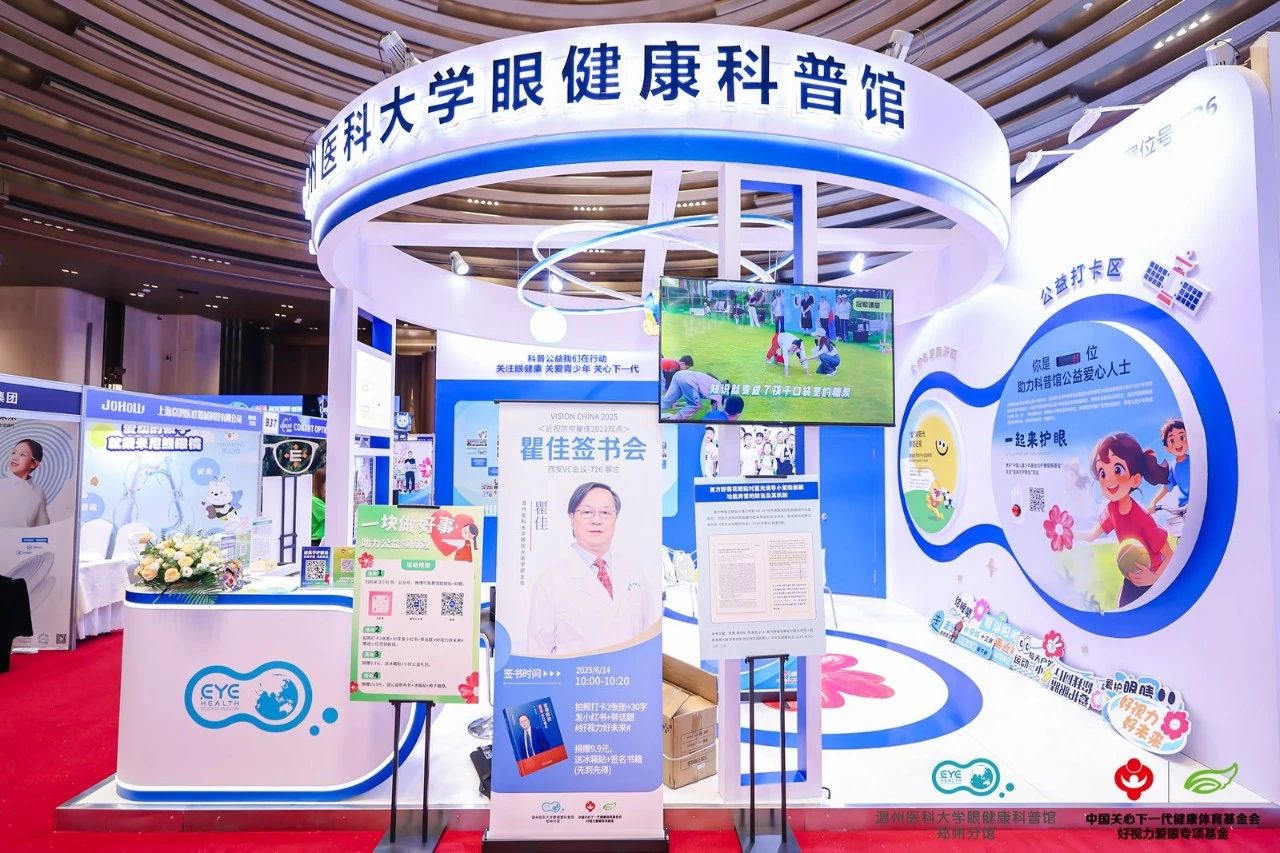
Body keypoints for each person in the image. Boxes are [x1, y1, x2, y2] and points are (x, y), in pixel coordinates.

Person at [525, 483, 659, 656]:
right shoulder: (551, 581)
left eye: (605, 513)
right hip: (575, 673)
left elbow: (649, 639)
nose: (596, 520)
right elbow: (538, 651)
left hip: (630, 671)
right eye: (587, 512)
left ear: (616, 518)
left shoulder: (634, 573)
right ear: (572, 518)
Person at [1079, 433, 1173, 608]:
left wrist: (1153, 578)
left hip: (1151, 577)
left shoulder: (1142, 517)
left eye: (1117, 470)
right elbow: (1092, 535)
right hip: (1131, 574)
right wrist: (1068, 533)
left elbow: (1169, 555)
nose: (1109, 479)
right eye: (1102, 472)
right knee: (1121, 611)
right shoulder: (1112, 509)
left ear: (1135, 479)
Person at [0, 439, 50, 528]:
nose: (14, 457)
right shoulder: (2, 485)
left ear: (34, 463)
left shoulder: (39, 492)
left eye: (22, 454)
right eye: (14, 453)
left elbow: (43, 527)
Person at [1148, 418, 1190, 516]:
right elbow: (1166, 488)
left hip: (1202, 501)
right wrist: (1153, 502)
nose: (1178, 444)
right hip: (1184, 508)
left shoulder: (1195, 460)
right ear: (1167, 448)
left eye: (1182, 437)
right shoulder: (1173, 468)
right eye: (1172, 441)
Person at [310, 467, 326, 546]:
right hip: (317, 542)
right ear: (321, 483)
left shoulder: (321, 499)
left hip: (322, 540)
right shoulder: (314, 500)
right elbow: (332, 515)